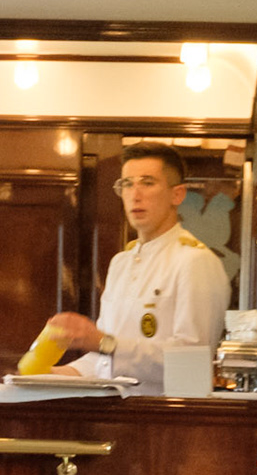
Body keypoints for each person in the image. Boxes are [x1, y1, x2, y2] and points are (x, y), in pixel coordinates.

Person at [42, 141, 232, 394]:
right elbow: (104, 361)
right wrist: (45, 376)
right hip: (115, 414)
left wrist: (104, 342)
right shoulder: (122, 263)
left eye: (147, 182)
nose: (135, 194)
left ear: (177, 194)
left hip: (163, 417)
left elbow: (190, 363)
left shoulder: (195, 261)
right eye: (127, 184)